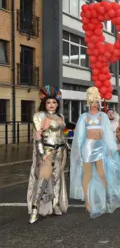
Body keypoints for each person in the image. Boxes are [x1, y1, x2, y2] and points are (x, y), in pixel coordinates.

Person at [69, 87, 120, 218]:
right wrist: (79, 151)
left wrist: (109, 148)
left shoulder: (103, 116)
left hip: (100, 147)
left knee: (102, 173)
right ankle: (87, 202)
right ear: (88, 103)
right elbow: (79, 136)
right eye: (92, 102)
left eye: (96, 102)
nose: (94, 105)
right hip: (87, 147)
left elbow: (107, 134)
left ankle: (106, 199)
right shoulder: (84, 117)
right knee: (87, 174)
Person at [27, 86, 68, 224]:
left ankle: (55, 204)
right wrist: (41, 153)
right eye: (49, 102)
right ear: (44, 103)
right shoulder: (40, 116)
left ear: (57, 104)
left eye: (54, 102)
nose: (52, 105)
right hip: (48, 151)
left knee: (57, 178)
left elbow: (61, 134)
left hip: (61, 151)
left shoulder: (60, 117)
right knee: (43, 178)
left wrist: (68, 147)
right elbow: (37, 136)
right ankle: (34, 209)